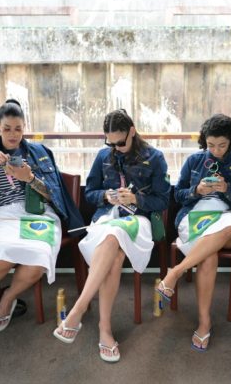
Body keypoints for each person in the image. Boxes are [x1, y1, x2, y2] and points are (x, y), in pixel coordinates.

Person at [53, 109, 170, 363]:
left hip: (139, 220)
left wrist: (137, 198)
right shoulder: (103, 157)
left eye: (120, 142)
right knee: (114, 255)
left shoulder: (155, 158)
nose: (116, 148)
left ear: (132, 131)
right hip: (106, 217)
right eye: (110, 143)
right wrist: (106, 196)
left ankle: (78, 310)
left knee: (114, 235)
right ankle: (104, 330)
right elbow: (90, 193)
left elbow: (163, 200)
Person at [0, 99, 83, 342]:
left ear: (24, 127)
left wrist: (28, 178)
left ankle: (7, 299)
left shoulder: (40, 152)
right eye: (7, 128)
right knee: (2, 251)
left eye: (18, 129)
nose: (13, 134)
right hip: (3, 215)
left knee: (39, 255)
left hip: (39, 215)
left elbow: (54, 195)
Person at [157, 114, 231, 351]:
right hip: (196, 217)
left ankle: (176, 272)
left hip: (230, 219)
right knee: (208, 255)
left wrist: (228, 188)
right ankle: (204, 322)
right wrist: (197, 190)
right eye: (211, 144)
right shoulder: (194, 160)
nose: (215, 150)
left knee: (230, 224)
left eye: (222, 145)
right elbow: (178, 195)